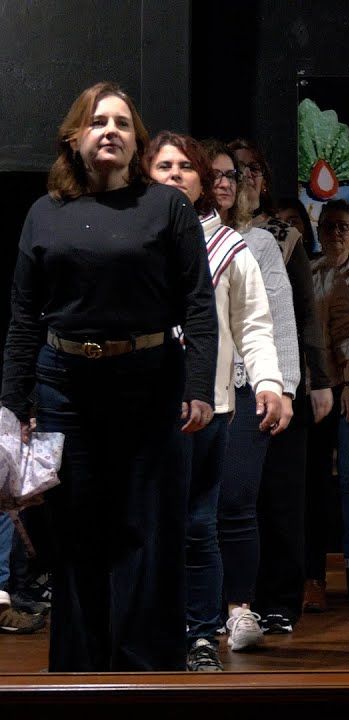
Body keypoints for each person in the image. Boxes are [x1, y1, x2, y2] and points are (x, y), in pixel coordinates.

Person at [1, 82, 218, 671]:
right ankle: (79, 669)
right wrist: (11, 405)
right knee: (76, 533)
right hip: (66, 387)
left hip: (151, 385)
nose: (111, 131)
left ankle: (148, 670)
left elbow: (199, 303)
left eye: (123, 123)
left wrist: (199, 386)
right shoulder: (45, 214)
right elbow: (24, 316)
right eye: (99, 121)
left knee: (150, 530)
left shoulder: (167, 207)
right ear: (75, 137)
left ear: (136, 141)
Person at [143, 132, 287, 670]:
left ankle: (201, 633)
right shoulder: (134, 238)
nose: (175, 174)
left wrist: (270, 382)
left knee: (200, 523)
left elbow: (254, 323)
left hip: (212, 404)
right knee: (151, 524)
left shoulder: (229, 247)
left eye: (185, 165)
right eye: (163, 166)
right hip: (144, 407)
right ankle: (156, 630)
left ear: (204, 179)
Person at [203, 143, 310, 638]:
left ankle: (239, 608)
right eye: (214, 174)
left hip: (247, 386)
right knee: (194, 506)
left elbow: (278, 320)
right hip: (193, 386)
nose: (224, 182)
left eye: (231, 175)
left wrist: (283, 386)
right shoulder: (174, 238)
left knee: (238, 501)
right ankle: (199, 614)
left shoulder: (261, 243)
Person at [304, 201, 349, 604]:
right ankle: (307, 576)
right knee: (309, 486)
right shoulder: (307, 273)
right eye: (327, 227)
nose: (334, 235)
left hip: (342, 388)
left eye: (342, 227)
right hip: (297, 391)